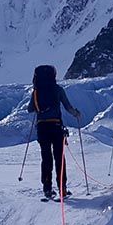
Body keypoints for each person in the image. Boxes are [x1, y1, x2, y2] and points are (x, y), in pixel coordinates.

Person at [27, 65, 81, 199]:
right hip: (56, 126)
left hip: (42, 128)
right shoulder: (58, 90)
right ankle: (62, 188)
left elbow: (30, 109)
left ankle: (47, 188)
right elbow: (67, 107)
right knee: (59, 158)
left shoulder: (36, 92)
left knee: (46, 158)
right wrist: (76, 114)